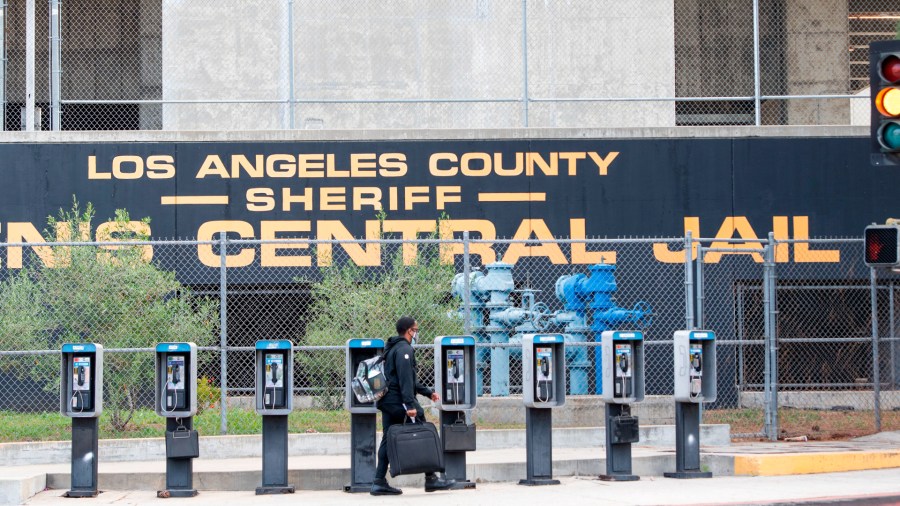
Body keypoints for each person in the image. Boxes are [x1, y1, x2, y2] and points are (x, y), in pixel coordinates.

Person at [371, 316, 457, 496]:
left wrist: (427, 392)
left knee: (388, 437)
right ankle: (431, 478)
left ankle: (379, 482)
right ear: (409, 330)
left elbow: (407, 378)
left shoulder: (393, 347)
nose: (417, 332)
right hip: (398, 401)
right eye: (415, 329)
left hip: (388, 400)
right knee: (423, 428)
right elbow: (404, 380)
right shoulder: (404, 349)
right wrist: (410, 405)